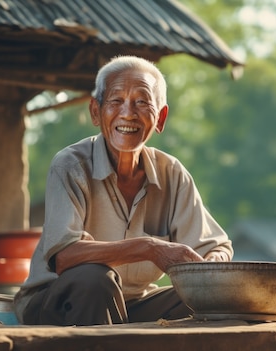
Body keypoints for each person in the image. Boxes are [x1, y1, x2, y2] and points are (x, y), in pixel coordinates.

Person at [14, 55, 233, 326]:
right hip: (56, 301)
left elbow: (216, 245)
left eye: (142, 102)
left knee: (207, 299)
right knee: (95, 279)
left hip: (131, 305)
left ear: (161, 117)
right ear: (96, 111)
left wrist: (209, 266)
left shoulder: (172, 173)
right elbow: (65, 256)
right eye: (116, 101)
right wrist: (148, 248)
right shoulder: (71, 165)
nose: (128, 113)